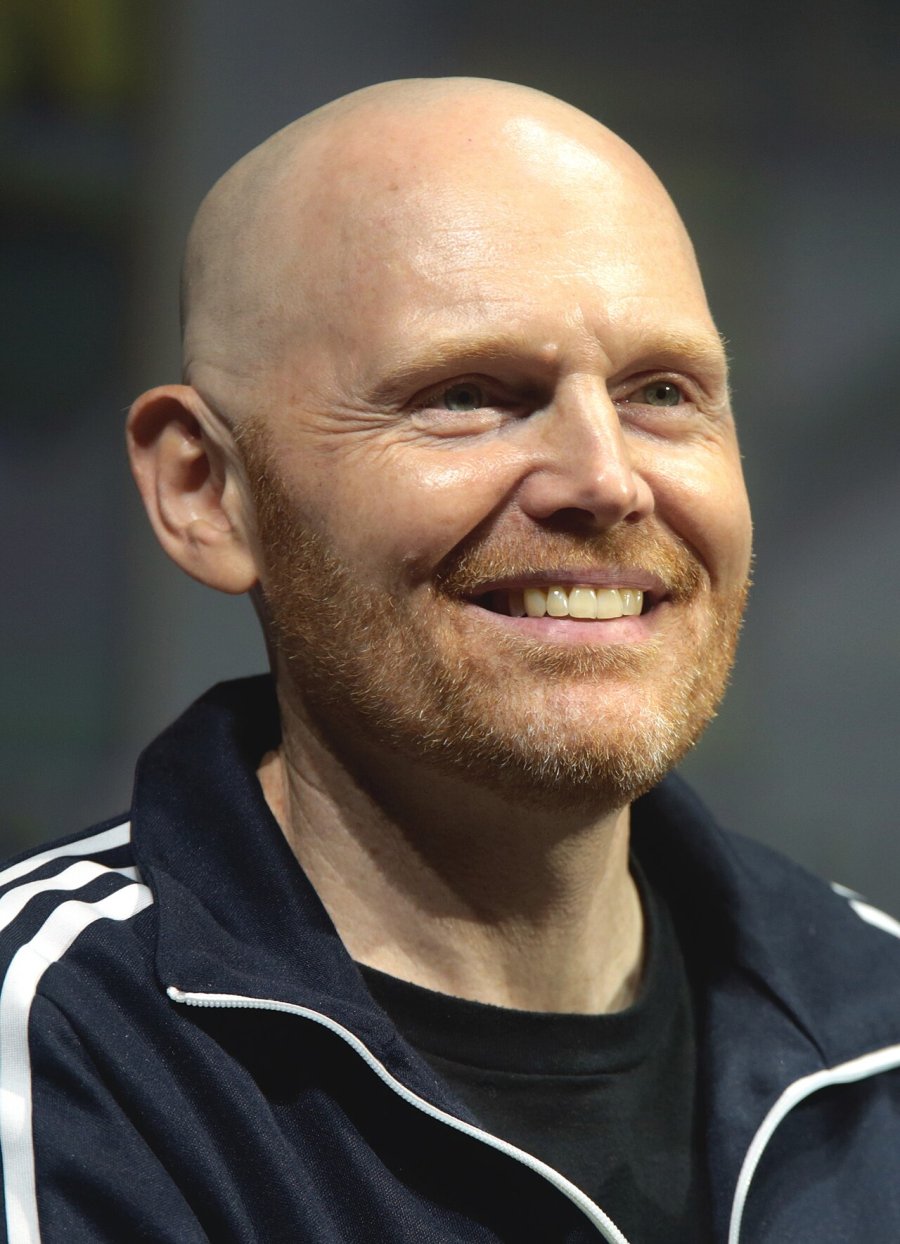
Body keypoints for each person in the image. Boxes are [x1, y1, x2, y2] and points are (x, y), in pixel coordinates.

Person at [2, 77, 899, 1244]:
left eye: (663, 392)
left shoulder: (879, 1021)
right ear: (205, 488)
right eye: (468, 395)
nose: (606, 478)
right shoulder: (56, 1047)